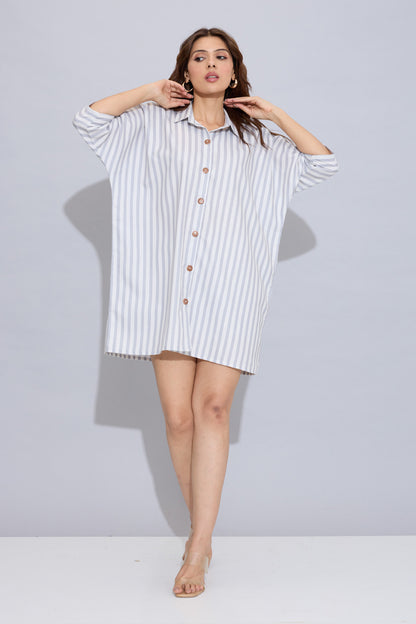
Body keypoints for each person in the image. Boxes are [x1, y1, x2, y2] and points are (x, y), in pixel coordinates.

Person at [72, 27, 340, 598]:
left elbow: (322, 164)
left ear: (234, 71)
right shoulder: (150, 126)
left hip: (229, 294)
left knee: (212, 409)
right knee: (178, 419)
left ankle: (197, 547)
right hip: (168, 292)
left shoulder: (259, 142)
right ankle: (204, 532)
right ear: (186, 71)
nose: (211, 64)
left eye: (221, 57)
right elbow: (89, 120)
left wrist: (275, 113)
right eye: (199, 57)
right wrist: (148, 91)